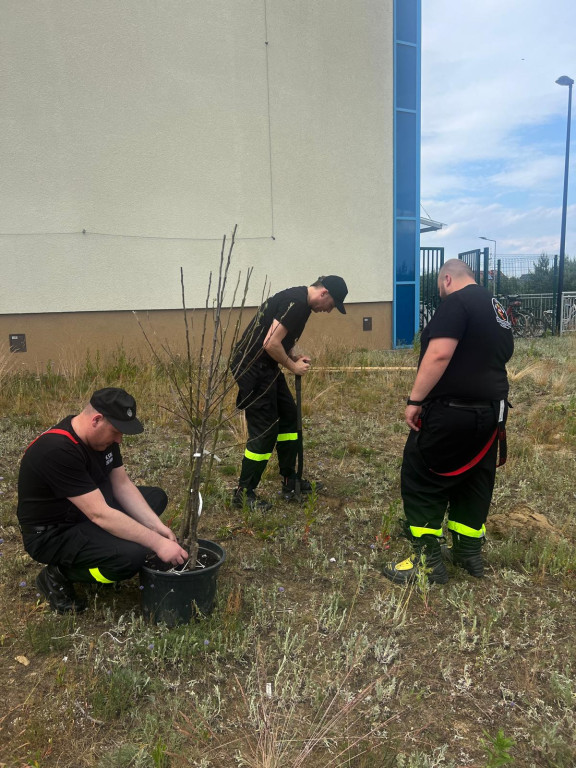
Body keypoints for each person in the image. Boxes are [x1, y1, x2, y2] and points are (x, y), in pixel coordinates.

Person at [383, 259, 513, 584]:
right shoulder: (495, 307)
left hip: (453, 412)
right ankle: (468, 554)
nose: (440, 291)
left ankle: (427, 563)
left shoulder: (456, 302)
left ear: (447, 278)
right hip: (491, 414)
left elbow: (440, 354)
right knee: (474, 479)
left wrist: (414, 401)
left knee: (421, 476)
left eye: (440, 286)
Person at [17, 387, 188, 613]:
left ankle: (108, 543)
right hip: (52, 534)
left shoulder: (101, 439)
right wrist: (157, 543)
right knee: (130, 558)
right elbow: (100, 514)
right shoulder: (57, 450)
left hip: (80, 512)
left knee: (155, 498)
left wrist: (157, 528)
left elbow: (122, 485)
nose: (119, 439)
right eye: (117, 431)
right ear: (96, 419)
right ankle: (58, 575)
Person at [230, 275, 348, 510]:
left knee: (288, 418)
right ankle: (244, 493)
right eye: (332, 305)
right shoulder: (296, 302)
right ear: (324, 293)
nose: (329, 311)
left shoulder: (301, 304)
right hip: (252, 368)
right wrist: (293, 366)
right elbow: (270, 343)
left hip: (267, 366)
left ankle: (289, 479)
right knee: (264, 430)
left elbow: (280, 340)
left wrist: (292, 356)